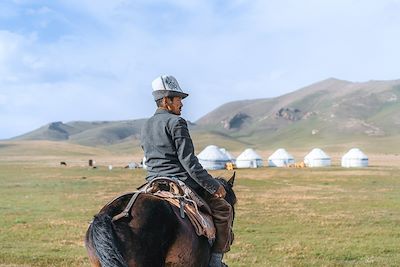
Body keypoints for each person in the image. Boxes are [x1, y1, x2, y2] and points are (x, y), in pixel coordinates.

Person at [141, 75, 233, 267]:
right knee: (224, 209)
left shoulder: (146, 125)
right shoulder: (176, 123)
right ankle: (215, 262)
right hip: (179, 180)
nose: (181, 104)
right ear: (166, 101)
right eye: (178, 99)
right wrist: (213, 186)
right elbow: (190, 162)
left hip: (153, 182)